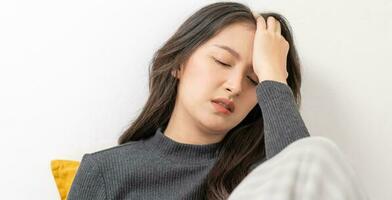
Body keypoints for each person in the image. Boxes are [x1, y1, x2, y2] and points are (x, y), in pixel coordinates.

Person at [68, 2, 367, 200]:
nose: (235, 86)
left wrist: (274, 77)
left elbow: (303, 172)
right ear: (179, 63)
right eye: (223, 62)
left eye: (254, 80)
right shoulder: (106, 171)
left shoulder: (266, 175)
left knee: (317, 155)